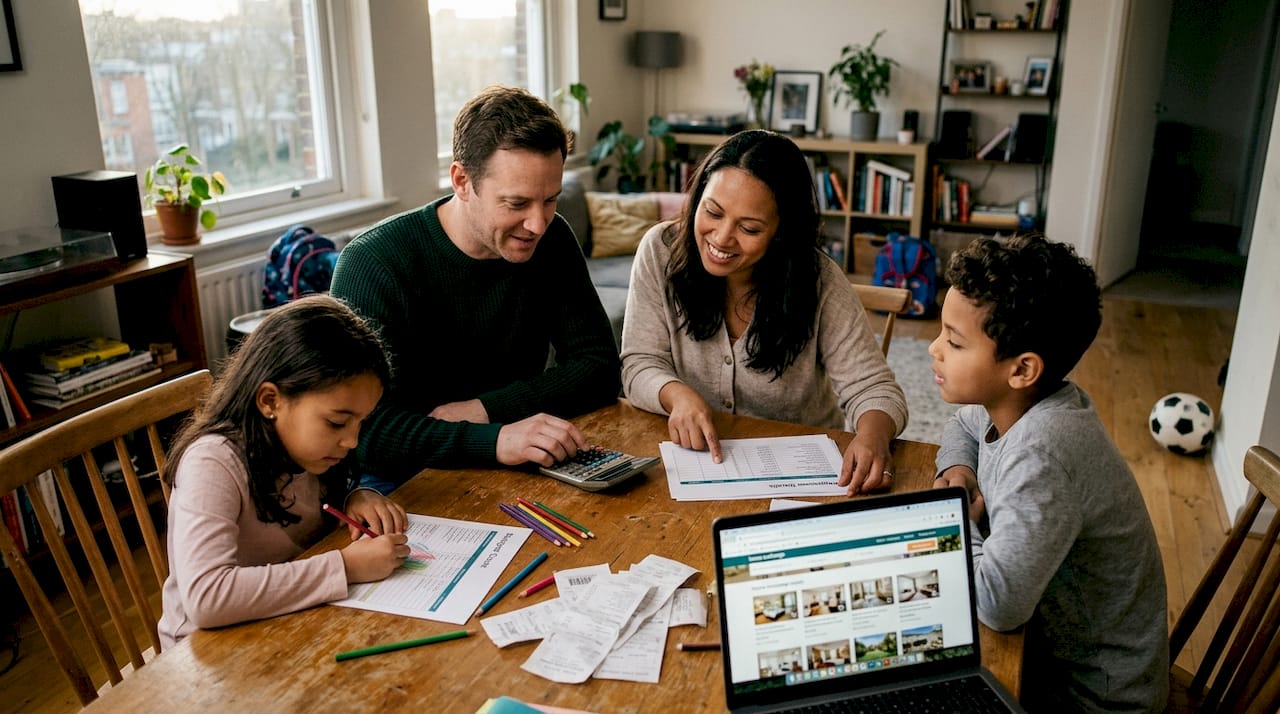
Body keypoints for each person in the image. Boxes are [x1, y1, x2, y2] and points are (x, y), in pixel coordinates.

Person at [331, 85, 621, 490]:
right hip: (406, 477)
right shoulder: (374, 262)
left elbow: (600, 367)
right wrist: (496, 440)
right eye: (516, 204)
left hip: (515, 457)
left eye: (550, 200)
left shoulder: (552, 240)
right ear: (462, 181)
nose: (538, 223)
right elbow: (366, 432)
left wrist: (486, 410)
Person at [929, 234, 1168, 711]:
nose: (934, 349)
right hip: (1045, 646)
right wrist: (957, 471)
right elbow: (962, 426)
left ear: (1022, 370)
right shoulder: (1024, 402)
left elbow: (998, 605)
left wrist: (959, 520)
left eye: (955, 342)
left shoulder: (1043, 452)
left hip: (1092, 698)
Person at [621, 130, 908, 494]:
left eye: (749, 228)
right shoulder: (660, 251)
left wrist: (872, 436)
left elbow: (874, 388)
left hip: (800, 479)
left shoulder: (819, 280)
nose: (722, 237)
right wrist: (677, 394)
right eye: (712, 212)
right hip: (695, 466)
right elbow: (638, 363)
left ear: (781, 231)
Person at [159, 295, 410, 647]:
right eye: (337, 422)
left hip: (289, 624)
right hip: (207, 655)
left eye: (361, 422)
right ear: (270, 401)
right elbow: (207, 597)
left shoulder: (309, 450)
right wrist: (346, 567)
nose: (352, 441)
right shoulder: (212, 462)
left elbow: (315, 505)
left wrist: (356, 496)